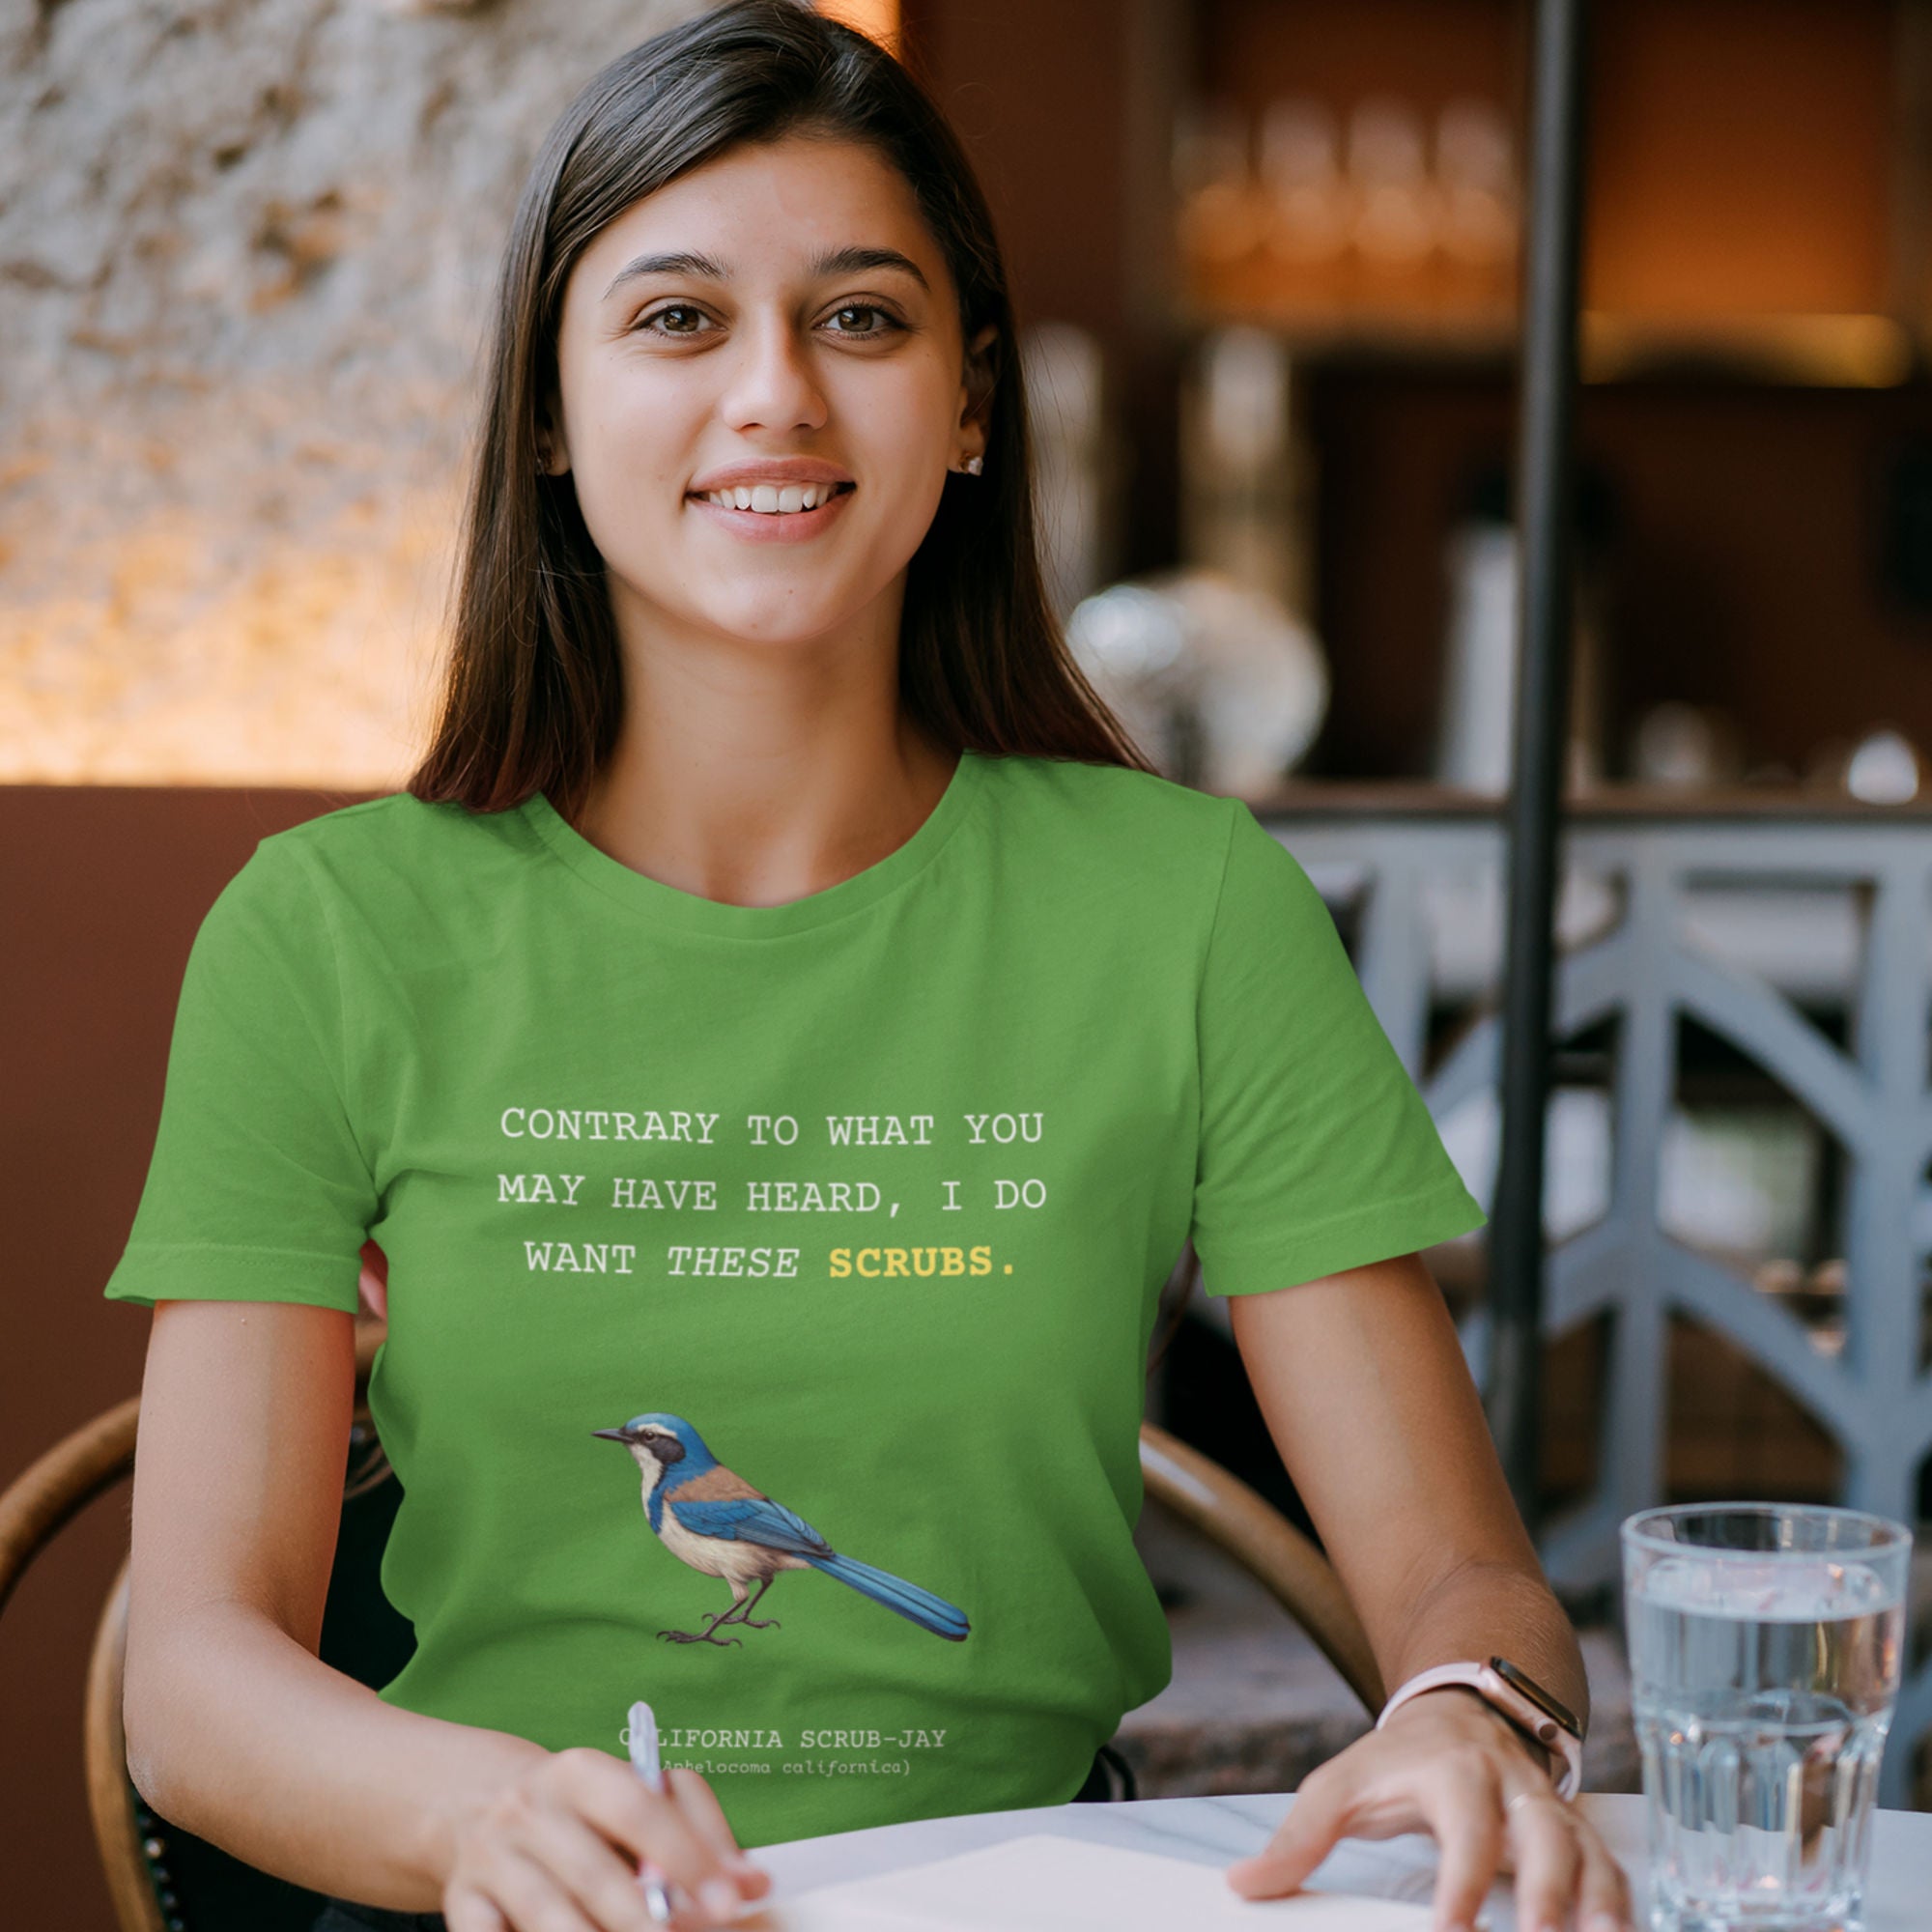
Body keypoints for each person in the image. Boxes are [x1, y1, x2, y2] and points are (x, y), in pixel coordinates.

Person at [102, 6, 1634, 1931]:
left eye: (862, 318)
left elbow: (1464, 1584)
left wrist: (1468, 1714)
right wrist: (489, 1817)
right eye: (676, 319)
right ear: (551, 414)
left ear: (970, 402)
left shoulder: (1184, 907)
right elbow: (194, 1683)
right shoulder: (329, 933)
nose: (775, 398)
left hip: (1032, 1892)